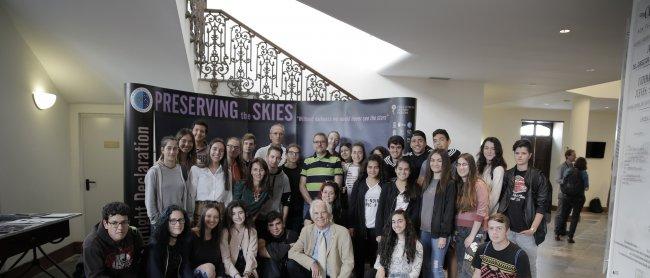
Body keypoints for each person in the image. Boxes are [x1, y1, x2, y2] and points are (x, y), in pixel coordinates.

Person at [497, 139, 550, 278]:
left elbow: (542, 205)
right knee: (507, 266)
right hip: (508, 230)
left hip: (527, 232)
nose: (520, 156)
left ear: (530, 155)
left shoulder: (538, 176)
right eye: (517, 153)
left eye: (523, 153)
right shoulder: (508, 175)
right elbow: (502, 201)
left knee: (529, 266)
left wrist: (533, 229)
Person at [287, 199, 354, 278]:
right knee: (291, 264)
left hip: (332, 274)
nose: (320, 216)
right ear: (312, 216)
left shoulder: (343, 232)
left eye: (323, 212)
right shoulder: (306, 230)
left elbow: (348, 262)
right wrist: (311, 263)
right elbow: (292, 252)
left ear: (329, 214)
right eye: (316, 213)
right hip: (312, 272)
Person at [419, 149, 457, 278]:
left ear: (445, 163)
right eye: (433, 160)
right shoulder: (426, 182)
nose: (435, 163)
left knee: (437, 268)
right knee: (426, 266)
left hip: (439, 234)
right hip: (424, 231)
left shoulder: (449, 184)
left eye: (439, 160)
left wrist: (444, 235)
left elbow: (449, 211)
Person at [82, 202, 144, 278]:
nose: (120, 228)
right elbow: (96, 276)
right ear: (105, 224)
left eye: (124, 222)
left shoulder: (134, 234)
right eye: (114, 223)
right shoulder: (92, 244)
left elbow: (140, 262)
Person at [348, 154, 386, 278]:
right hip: (361, 228)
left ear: (380, 168)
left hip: (378, 229)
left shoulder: (385, 185)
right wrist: (351, 225)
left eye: (376, 167)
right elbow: (352, 206)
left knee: (376, 260)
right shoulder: (359, 184)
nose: (373, 170)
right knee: (359, 259)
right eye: (370, 167)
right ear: (366, 168)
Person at [452, 153, 489, 278]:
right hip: (459, 231)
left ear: (471, 166)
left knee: (470, 269)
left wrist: (472, 236)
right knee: (461, 266)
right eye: (459, 164)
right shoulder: (458, 184)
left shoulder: (479, 184)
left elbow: (481, 212)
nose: (461, 167)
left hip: (474, 231)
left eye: (465, 164)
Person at [145, 136, 191, 224]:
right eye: (169, 148)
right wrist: (156, 221)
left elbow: (185, 198)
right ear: (162, 150)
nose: (172, 152)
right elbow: (149, 199)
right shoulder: (154, 172)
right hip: (161, 221)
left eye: (175, 149)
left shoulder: (182, 170)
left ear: (178, 150)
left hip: (179, 221)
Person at [472, 213, 531, 278]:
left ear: (507, 231)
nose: (494, 232)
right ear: (488, 230)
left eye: (499, 228)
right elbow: (477, 274)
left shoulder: (520, 256)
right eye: (491, 228)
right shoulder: (482, 249)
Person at [299, 132, 343, 217]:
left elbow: (337, 185)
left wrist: (325, 204)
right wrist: (312, 203)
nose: (319, 144)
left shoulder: (336, 160)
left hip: (328, 205)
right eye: (316, 142)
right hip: (310, 205)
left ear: (327, 144)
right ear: (313, 144)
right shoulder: (307, 161)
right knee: (308, 229)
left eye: (322, 142)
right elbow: (302, 185)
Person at [189, 138, 232, 224]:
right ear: (209, 150)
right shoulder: (196, 169)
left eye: (221, 150)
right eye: (214, 149)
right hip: (200, 212)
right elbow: (191, 195)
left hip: (220, 213)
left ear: (224, 154)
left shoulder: (227, 173)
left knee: (217, 237)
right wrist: (190, 216)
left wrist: (227, 218)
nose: (217, 153)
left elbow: (228, 198)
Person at [376, 158, 420, 236]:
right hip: (388, 230)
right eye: (400, 169)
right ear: (395, 170)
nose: (403, 172)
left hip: (407, 231)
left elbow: (416, 213)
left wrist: (408, 229)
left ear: (409, 171)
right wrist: (379, 233)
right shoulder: (387, 187)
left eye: (406, 169)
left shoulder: (415, 188)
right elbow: (380, 210)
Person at [375, 209, 424, 278]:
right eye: (393, 222)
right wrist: (381, 269)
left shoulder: (417, 245)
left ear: (406, 222)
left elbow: (415, 273)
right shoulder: (386, 241)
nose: (396, 225)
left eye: (400, 221)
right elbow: (379, 262)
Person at [147, 205, 193, 278]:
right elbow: (155, 274)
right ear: (166, 222)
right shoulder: (155, 245)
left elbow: (185, 268)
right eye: (173, 221)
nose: (178, 224)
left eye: (181, 220)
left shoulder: (183, 242)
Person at [220, 201, 259, 278]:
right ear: (229, 216)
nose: (237, 217)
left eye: (240, 212)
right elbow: (225, 258)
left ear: (245, 213)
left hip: (248, 270)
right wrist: (236, 275)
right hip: (230, 270)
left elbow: (251, 255)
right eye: (233, 214)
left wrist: (247, 274)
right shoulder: (225, 232)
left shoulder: (252, 231)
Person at [556, 157, 589, 244]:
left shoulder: (569, 170)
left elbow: (563, 182)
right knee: (575, 217)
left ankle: (557, 234)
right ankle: (570, 237)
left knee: (563, 215)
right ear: (584, 164)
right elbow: (586, 188)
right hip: (578, 198)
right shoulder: (584, 173)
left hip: (567, 196)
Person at [257, 211, 299, 278]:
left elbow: (295, 255)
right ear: (267, 227)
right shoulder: (264, 235)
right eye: (271, 225)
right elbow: (261, 251)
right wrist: (288, 246)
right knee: (270, 261)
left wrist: (272, 250)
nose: (275, 228)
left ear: (283, 224)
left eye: (278, 224)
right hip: (272, 272)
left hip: (288, 271)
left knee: (291, 263)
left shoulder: (291, 234)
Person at [190, 203, 225, 278]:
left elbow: (219, 261)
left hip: (211, 274)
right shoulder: (192, 234)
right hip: (193, 274)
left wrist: (220, 276)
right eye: (209, 216)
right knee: (209, 268)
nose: (212, 220)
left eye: (216, 217)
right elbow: (185, 262)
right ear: (203, 216)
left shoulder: (217, 236)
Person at [260, 146, 291, 226]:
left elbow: (286, 202)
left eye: (277, 158)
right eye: (272, 157)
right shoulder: (259, 174)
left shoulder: (284, 178)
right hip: (259, 216)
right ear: (267, 157)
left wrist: (283, 222)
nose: (274, 161)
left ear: (280, 160)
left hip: (276, 219)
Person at [477, 137, 507, 214]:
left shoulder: (498, 169)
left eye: (493, 149)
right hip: (479, 210)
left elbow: (494, 197)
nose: (489, 151)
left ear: (497, 151)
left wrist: (483, 213)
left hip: (490, 213)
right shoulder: (481, 167)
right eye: (486, 148)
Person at [554, 149, 576, 240]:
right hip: (563, 193)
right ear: (568, 156)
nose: (575, 157)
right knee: (559, 213)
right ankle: (557, 230)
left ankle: (563, 230)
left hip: (570, 194)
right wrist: (567, 181)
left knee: (566, 213)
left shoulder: (573, 167)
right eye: (573, 155)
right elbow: (557, 179)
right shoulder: (562, 167)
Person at [283, 143, 305, 232]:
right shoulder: (280, 170)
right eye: (291, 152)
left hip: (298, 210)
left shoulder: (303, 171)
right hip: (283, 209)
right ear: (286, 154)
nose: (294, 155)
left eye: (297, 153)